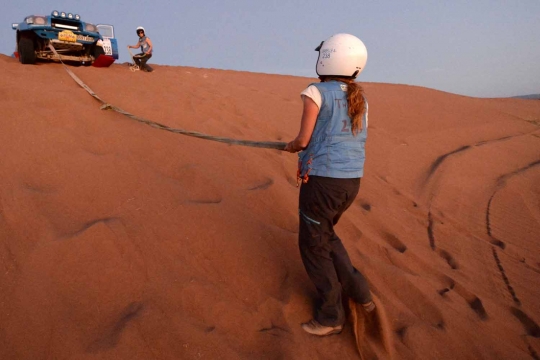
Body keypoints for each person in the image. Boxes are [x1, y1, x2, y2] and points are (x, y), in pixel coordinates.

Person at [284, 33, 375, 336]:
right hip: (350, 183)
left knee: (312, 244)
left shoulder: (315, 91)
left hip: (323, 182)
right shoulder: (360, 97)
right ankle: (360, 292)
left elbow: (303, 139)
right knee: (325, 232)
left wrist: (293, 146)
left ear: (327, 58)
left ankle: (330, 315)